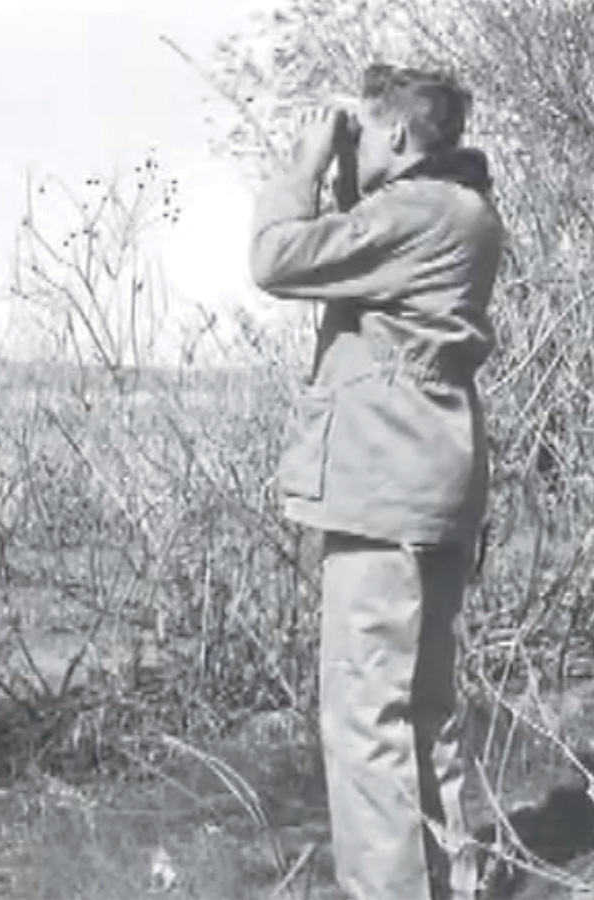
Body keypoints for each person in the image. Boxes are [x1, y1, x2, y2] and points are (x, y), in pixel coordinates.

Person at [250, 64, 503, 899]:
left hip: (386, 488)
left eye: (363, 130)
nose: (351, 145)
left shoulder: (413, 212)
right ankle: (449, 884)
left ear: (397, 135)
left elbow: (276, 258)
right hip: (435, 481)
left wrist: (307, 164)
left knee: (366, 721)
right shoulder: (462, 209)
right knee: (423, 711)